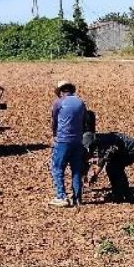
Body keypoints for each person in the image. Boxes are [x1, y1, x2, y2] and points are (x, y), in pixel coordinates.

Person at [48, 80, 88, 208]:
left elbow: (54, 121)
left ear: (60, 91)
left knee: (57, 168)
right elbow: (84, 121)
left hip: (63, 140)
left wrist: (55, 135)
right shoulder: (80, 102)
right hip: (77, 140)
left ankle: (61, 196)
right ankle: (77, 198)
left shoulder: (59, 102)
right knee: (76, 170)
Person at [82, 131, 134, 202]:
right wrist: (95, 174)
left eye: (89, 146)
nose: (89, 149)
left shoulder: (103, 142)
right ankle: (119, 193)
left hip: (133, 150)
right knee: (112, 167)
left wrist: (95, 174)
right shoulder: (99, 140)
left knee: (114, 167)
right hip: (123, 150)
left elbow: (104, 160)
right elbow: (102, 159)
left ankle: (125, 194)